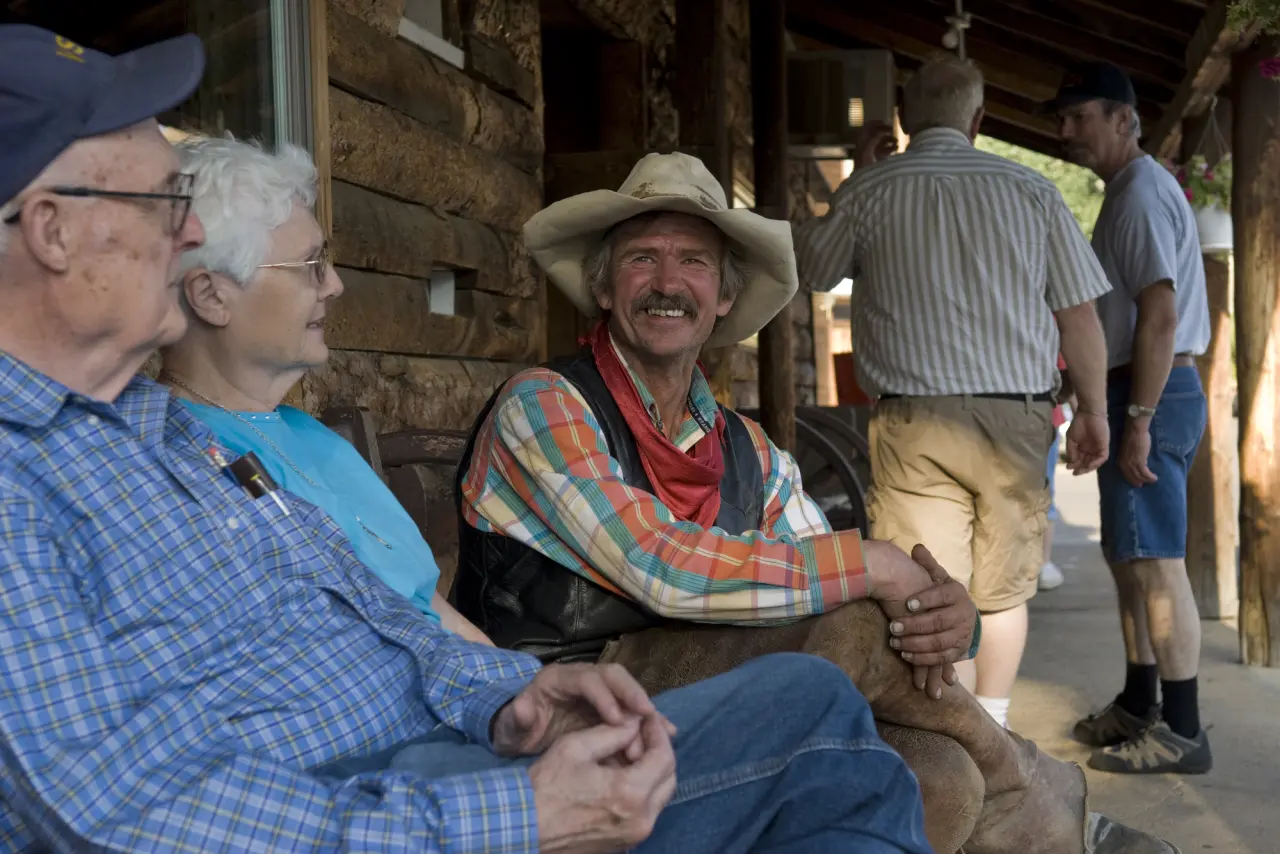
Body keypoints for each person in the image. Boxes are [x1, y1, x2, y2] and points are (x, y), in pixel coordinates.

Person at [0, 24, 939, 853]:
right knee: (827, 725)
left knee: (815, 706)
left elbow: (374, 608)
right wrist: (519, 815)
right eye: (166, 203)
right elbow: (112, 813)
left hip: (445, 751)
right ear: (49, 230)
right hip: (367, 807)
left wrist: (506, 699)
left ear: (726, 298)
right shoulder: (17, 476)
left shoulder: (161, 433)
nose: (194, 232)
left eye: (694, 261)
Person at [452, 148, 1181, 854]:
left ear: (725, 299)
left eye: (695, 261)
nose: (667, 280)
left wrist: (941, 616)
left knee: (943, 779)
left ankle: (1013, 794)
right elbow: (660, 567)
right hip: (561, 707)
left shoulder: (745, 448)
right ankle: (1039, 802)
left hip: (701, 702)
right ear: (606, 287)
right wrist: (876, 569)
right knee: (855, 621)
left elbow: (812, 568)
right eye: (642, 257)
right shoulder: (545, 405)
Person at [793, 54, 1113, 730]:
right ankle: (991, 729)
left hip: (915, 424)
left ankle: (955, 743)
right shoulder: (1031, 190)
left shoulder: (873, 189)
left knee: (932, 593)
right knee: (999, 596)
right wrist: (1096, 412)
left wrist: (859, 170)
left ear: (904, 118)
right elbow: (1078, 315)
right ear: (980, 118)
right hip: (1016, 418)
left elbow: (814, 272)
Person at [155, 134, 490, 645]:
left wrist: (519, 686)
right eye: (310, 265)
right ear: (210, 295)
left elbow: (431, 608)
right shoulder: (185, 463)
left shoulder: (307, 435)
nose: (333, 285)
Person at [1049, 62, 1212, 774]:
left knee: (1156, 563)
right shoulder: (1128, 191)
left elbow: (1160, 314)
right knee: (1129, 560)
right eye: (1063, 118)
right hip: (1135, 391)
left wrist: (1138, 416)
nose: (1065, 131)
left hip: (1154, 390)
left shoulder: (1142, 192)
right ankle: (1139, 701)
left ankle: (1183, 730)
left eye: (1079, 116)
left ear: (1123, 118)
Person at [1040, 354, 1073, 592]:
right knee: (1044, 495)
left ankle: (1042, 562)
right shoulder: (1047, 319)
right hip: (1043, 415)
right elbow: (1067, 376)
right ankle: (1043, 562)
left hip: (1044, 418)